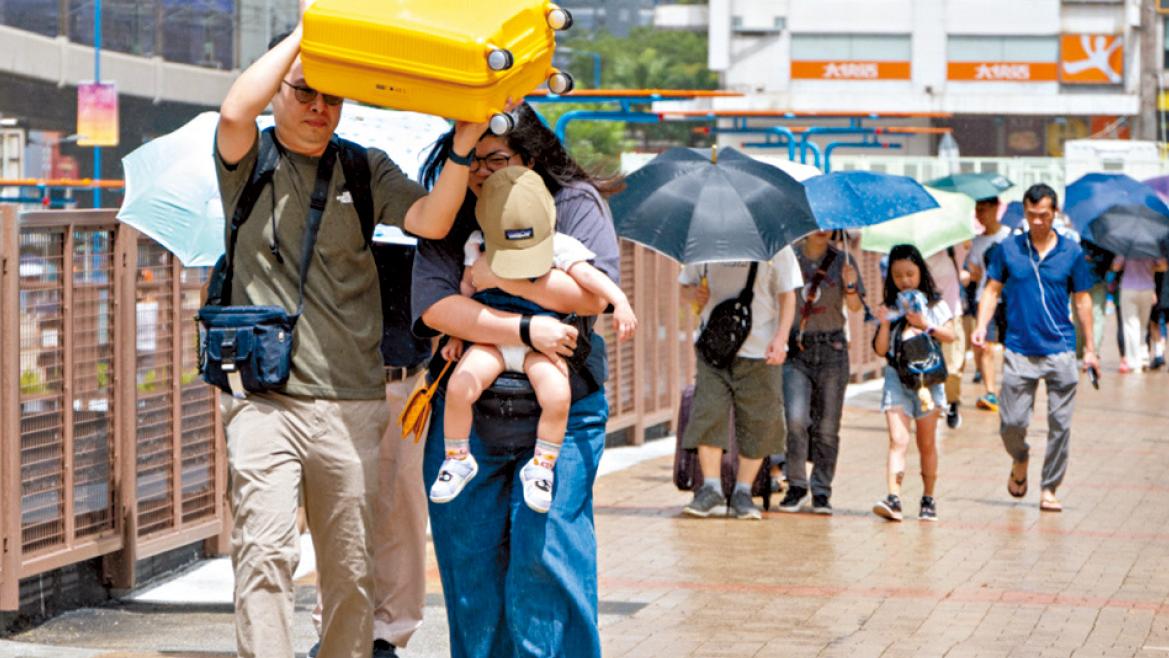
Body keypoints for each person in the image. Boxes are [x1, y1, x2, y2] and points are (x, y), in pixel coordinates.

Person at [214, 17, 484, 658]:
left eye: (330, 96)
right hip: (263, 399)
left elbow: (432, 218)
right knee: (264, 549)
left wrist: (465, 149)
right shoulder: (250, 162)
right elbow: (233, 109)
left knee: (350, 569)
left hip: (352, 401)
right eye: (303, 91)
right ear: (280, 90)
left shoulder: (365, 169)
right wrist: (313, 32)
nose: (316, 107)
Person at [412, 102, 620, 657]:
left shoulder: (574, 202)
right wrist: (530, 327)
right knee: (471, 572)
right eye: (469, 158)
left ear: (529, 156)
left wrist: (498, 277)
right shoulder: (451, 208)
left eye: (495, 158)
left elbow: (592, 295)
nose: (480, 172)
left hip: (562, 411)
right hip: (471, 412)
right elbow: (436, 307)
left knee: (548, 564)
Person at [430, 166, 636, 513]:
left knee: (557, 394)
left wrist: (621, 302)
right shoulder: (477, 243)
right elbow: (466, 288)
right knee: (460, 386)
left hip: (540, 345)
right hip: (490, 339)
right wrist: (455, 335)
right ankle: (457, 457)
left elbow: (589, 277)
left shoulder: (560, 245)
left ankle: (542, 466)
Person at [307, 229, 434, 658]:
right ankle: (338, 626)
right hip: (335, 379)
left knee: (401, 508)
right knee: (337, 506)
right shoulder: (325, 204)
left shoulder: (418, 206)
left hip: (404, 375)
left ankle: (388, 632)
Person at [972, 183, 1097, 513]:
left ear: (1054, 213)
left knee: (1060, 426)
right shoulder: (1009, 249)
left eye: (1043, 215)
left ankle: (1049, 488)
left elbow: (1083, 301)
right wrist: (982, 327)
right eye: (1031, 215)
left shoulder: (1071, 252)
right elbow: (991, 290)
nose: (1038, 221)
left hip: (1061, 349)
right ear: (1024, 213)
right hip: (1019, 349)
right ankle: (1020, 458)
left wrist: (1091, 349)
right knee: (1011, 424)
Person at [678, 249, 802, 520]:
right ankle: (711, 489)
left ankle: (743, 491)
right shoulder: (704, 243)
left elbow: (788, 294)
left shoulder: (774, 245)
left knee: (760, 420)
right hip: (714, 348)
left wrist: (781, 338)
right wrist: (693, 295)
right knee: (708, 411)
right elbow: (684, 288)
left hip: (760, 350)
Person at [777, 231, 864, 515]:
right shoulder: (789, 258)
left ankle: (822, 491)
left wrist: (850, 287)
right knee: (796, 419)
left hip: (832, 349)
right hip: (797, 350)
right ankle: (797, 485)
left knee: (828, 428)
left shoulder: (842, 261)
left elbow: (854, 307)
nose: (821, 228)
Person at [872, 244, 957, 522]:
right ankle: (894, 498)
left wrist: (925, 324)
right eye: (898, 276)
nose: (905, 280)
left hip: (929, 381)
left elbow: (951, 336)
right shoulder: (891, 308)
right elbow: (881, 349)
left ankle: (928, 498)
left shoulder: (935, 305)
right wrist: (885, 322)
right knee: (898, 440)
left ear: (921, 271)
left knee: (926, 443)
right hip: (897, 377)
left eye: (910, 273)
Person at [964, 197, 1013, 412]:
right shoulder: (975, 242)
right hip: (984, 299)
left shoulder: (1011, 236)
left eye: (983, 209)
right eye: (976, 210)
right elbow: (975, 274)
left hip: (1010, 299)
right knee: (985, 346)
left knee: (1011, 347)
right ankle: (991, 392)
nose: (979, 214)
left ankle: (1010, 390)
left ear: (996, 209)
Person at [925, 245, 966, 429]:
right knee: (924, 364)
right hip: (925, 318)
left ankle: (952, 403)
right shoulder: (916, 252)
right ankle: (929, 406)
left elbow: (967, 245)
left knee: (953, 366)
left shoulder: (953, 248)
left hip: (951, 314)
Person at [1112, 256, 1169, 373]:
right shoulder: (1151, 249)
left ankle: (1134, 361)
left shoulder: (1126, 248)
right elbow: (1163, 266)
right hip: (1147, 288)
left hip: (1129, 288)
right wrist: (1152, 267)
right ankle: (1144, 357)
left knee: (1130, 325)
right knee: (1143, 325)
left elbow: (1115, 267)